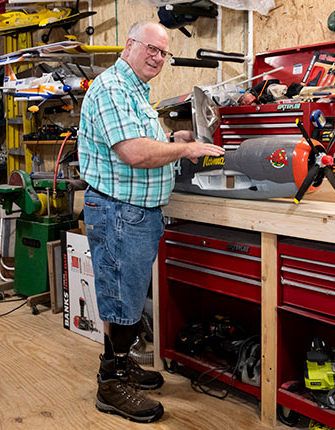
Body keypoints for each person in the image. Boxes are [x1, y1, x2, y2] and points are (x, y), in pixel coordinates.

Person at [77, 21, 226, 423]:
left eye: (164, 52)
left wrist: (173, 140)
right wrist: (189, 149)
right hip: (118, 211)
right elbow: (134, 153)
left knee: (125, 297)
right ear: (130, 45)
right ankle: (110, 387)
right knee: (121, 301)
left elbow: (145, 143)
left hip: (136, 212)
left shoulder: (136, 91)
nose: (158, 58)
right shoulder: (111, 88)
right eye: (152, 49)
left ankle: (120, 365)